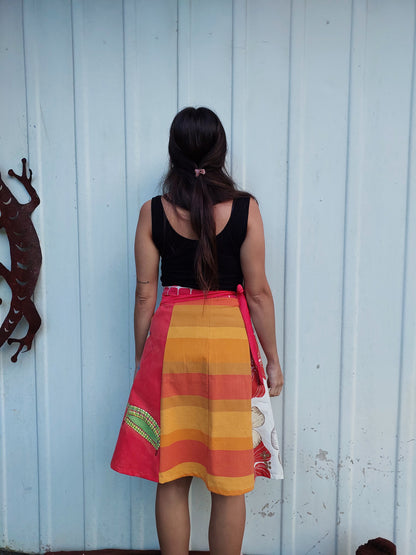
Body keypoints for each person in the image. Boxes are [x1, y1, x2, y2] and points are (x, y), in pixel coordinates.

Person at [111, 107, 284, 555]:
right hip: (228, 342)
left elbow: (145, 295)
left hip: (172, 342)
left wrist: (141, 358)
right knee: (230, 480)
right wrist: (273, 358)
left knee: (172, 473)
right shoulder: (247, 209)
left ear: (173, 153)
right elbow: (259, 292)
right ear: (220, 151)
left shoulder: (153, 212)